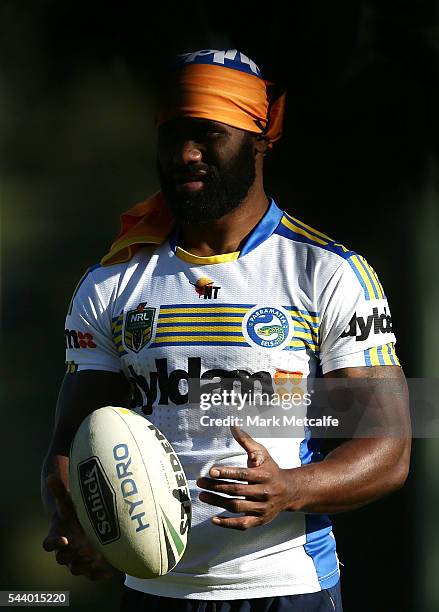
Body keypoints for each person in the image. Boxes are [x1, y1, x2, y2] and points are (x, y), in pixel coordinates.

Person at [41, 49, 411, 612]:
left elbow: (388, 452)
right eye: (172, 137)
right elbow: (72, 441)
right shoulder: (110, 283)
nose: (185, 155)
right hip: (153, 592)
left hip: (285, 589)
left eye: (209, 136)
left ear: (261, 138)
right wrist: (77, 521)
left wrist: (291, 488)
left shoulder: (327, 273)